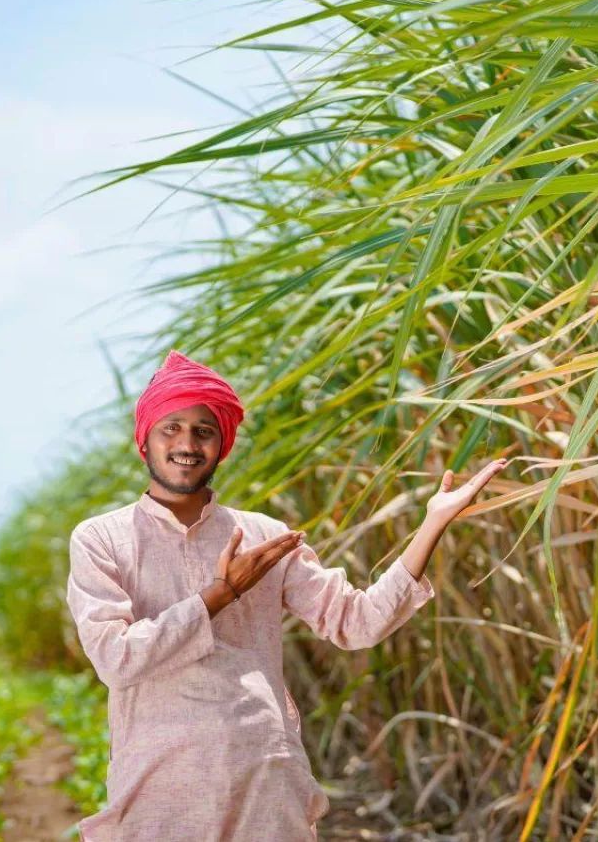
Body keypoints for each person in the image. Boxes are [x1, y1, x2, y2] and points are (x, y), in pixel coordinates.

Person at [65, 350, 508, 841]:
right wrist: (220, 594)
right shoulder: (102, 538)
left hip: (265, 779)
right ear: (143, 440)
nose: (187, 443)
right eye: (171, 428)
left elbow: (357, 622)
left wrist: (431, 525)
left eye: (203, 430)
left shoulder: (263, 535)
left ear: (222, 445)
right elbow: (116, 659)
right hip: (160, 787)